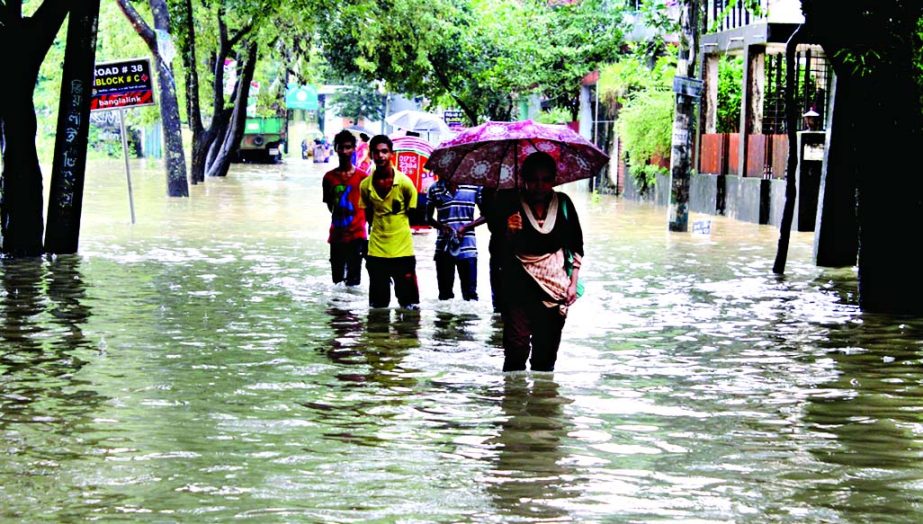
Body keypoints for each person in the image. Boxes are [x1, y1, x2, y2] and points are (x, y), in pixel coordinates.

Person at [501, 152, 583, 372]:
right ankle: (513, 401)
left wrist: (573, 284)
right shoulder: (511, 204)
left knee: (545, 359)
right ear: (524, 179)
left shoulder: (564, 204)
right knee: (516, 350)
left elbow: (577, 247)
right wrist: (509, 230)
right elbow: (500, 251)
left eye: (545, 179)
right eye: (533, 180)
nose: (539, 185)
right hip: (518, 288)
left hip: (553, 291)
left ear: (554, 180)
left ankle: (542, 404)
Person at [359, 135, 421, 310]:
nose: (381, 156)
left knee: (409, 306)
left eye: (384, 152)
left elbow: (413, 216)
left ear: (391, 154)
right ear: (371, 155)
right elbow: (368, 215)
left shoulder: (405, 184)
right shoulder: (365, 185)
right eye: (376, 152)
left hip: (403, 250)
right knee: (377, 307)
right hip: (377, 250)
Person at [322, 130, 370, 287]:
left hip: (357, 236)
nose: (344, 151)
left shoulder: (363, 178)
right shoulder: (329, 178)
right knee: (337, 282)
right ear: (335, 149)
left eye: (348, 147)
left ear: (354, 149)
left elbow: (370, 208)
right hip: (336, 236)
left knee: (353, 283)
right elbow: (330, 205)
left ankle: (350, 312)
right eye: (341, 147)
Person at [426, 178, 485, 301]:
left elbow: (486, 215)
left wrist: (466, 227)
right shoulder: (434, 189)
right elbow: (427, 218)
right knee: (444, 296)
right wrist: (441, 227)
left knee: (470, 296)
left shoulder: (473, 186)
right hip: (444, 247)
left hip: (468, 247)